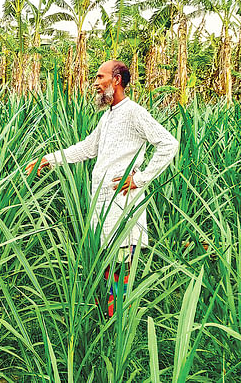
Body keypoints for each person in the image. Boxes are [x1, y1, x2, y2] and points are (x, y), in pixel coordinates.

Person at [25, 60, 179, 316]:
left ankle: (116, 326)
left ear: (116, 80)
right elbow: (87, 148)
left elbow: (168, 144)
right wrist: (48, 160)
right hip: (103, 205)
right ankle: (106, 323)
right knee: (106, 267)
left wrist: (140, 179)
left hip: (122, 207)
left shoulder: (134, 113)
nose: (95, 83)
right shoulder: (109, 116)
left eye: (100, 77)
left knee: (119, 268)